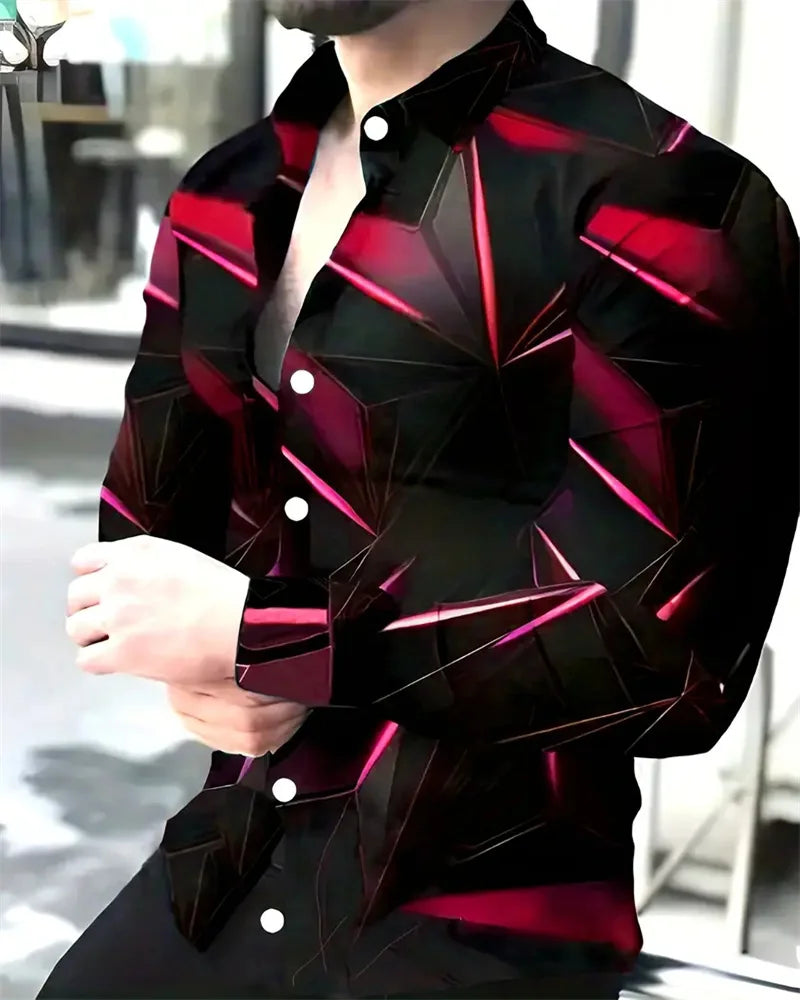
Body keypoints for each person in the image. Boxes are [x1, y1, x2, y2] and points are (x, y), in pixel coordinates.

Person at [42, 1, 798, 997]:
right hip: (228, 869)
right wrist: (198, 654)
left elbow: (668, 660)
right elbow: (145, 543)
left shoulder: (662, 195)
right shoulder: (225, 192)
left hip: (483, 930)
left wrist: (264, 637)